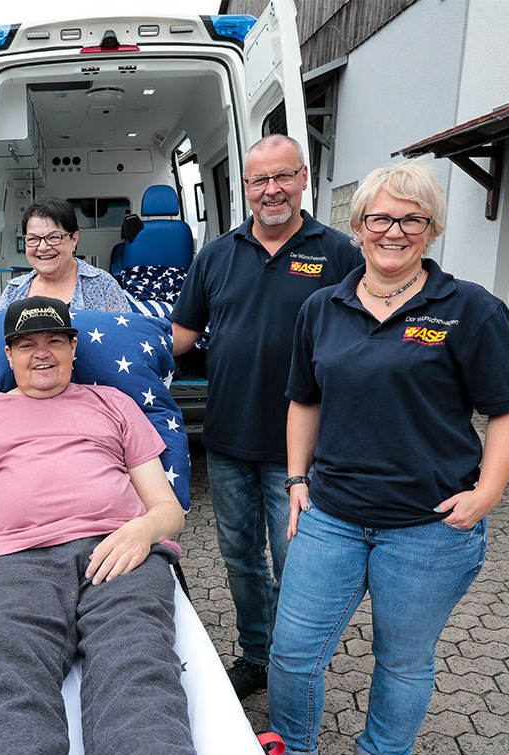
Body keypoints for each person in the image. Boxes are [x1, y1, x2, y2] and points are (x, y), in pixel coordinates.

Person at [269, 162, 509, 755]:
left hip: (429, 526)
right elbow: (303, 399)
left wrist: (488, 492)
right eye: (381, 218)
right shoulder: (321, 307)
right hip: (332, 513)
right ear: (357, 226)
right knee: (293, 652)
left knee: (403, 660)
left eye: (411, 219)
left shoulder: (471, 308)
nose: (395, 231)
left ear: (431, 229)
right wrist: (297, 479)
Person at [0, 296, 199, 755]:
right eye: (27, 344)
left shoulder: (114, 403)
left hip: (118, 552)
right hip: (12, 560)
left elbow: (167, 508)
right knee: (4, 669)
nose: (41, 354)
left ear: (73, 347)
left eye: (53, 342)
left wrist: (142, 531)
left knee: (136, 667)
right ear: (9, 352)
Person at [170, 134, 362, 699]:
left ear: (304, 177)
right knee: (240, 560)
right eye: (259, 180)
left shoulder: (340, 253)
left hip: (300, 452)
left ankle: (294, 667)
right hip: (227, 439)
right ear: (246, 188)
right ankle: (258, 655)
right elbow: (180, 336)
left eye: (282, 177)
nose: (271, 190)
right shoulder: (217, 255)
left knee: (295, 564)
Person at [0, 197, 132, 313]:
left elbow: (126, 336)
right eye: (33, 239)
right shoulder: (13, 291)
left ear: (74, 239)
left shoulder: (103, 285)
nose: (43, 247)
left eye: (54, 237)